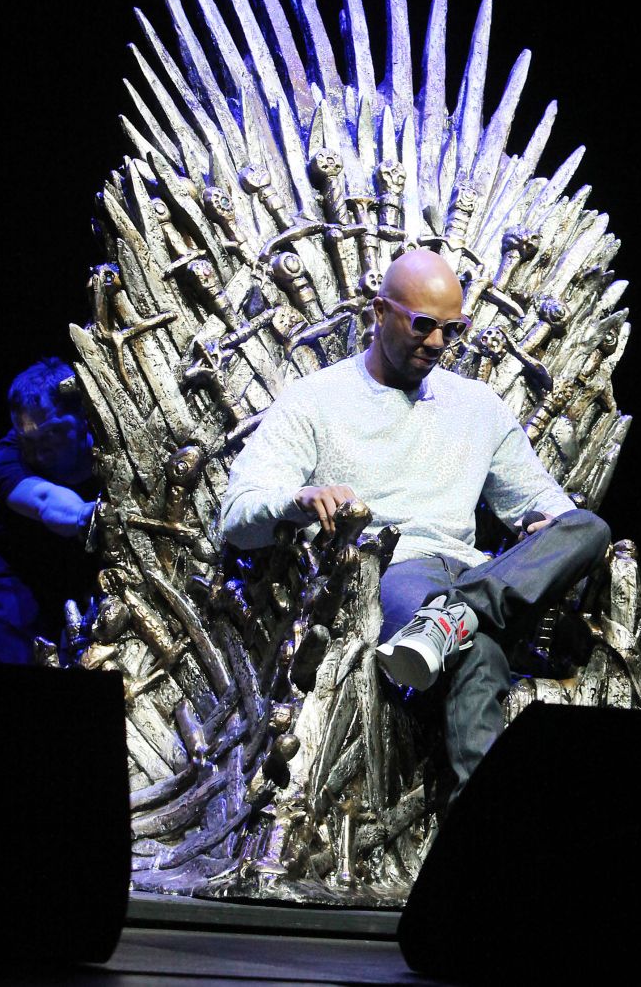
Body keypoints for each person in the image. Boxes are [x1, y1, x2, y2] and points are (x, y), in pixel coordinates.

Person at [221, 250, 610, 799]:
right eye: (422, 324)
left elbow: (541, 500)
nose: (436, 342)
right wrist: (298, 498)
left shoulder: (478, 406)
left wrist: (544, 524)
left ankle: (457, 616)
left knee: (588, 527)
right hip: (399, 571)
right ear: (380, 312)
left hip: (480, 576)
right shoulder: (316, 401)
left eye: (452, 329)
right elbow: (237, 517)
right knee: (477, 660)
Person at [0, 357, 99, 664]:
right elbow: (46, 500)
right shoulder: (6, 460)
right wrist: (90, 514)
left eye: (52, 433)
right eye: (28, 440)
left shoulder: (107, 440)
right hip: (9, 567)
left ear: (83, 414)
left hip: (70, 560)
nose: (40, 451)